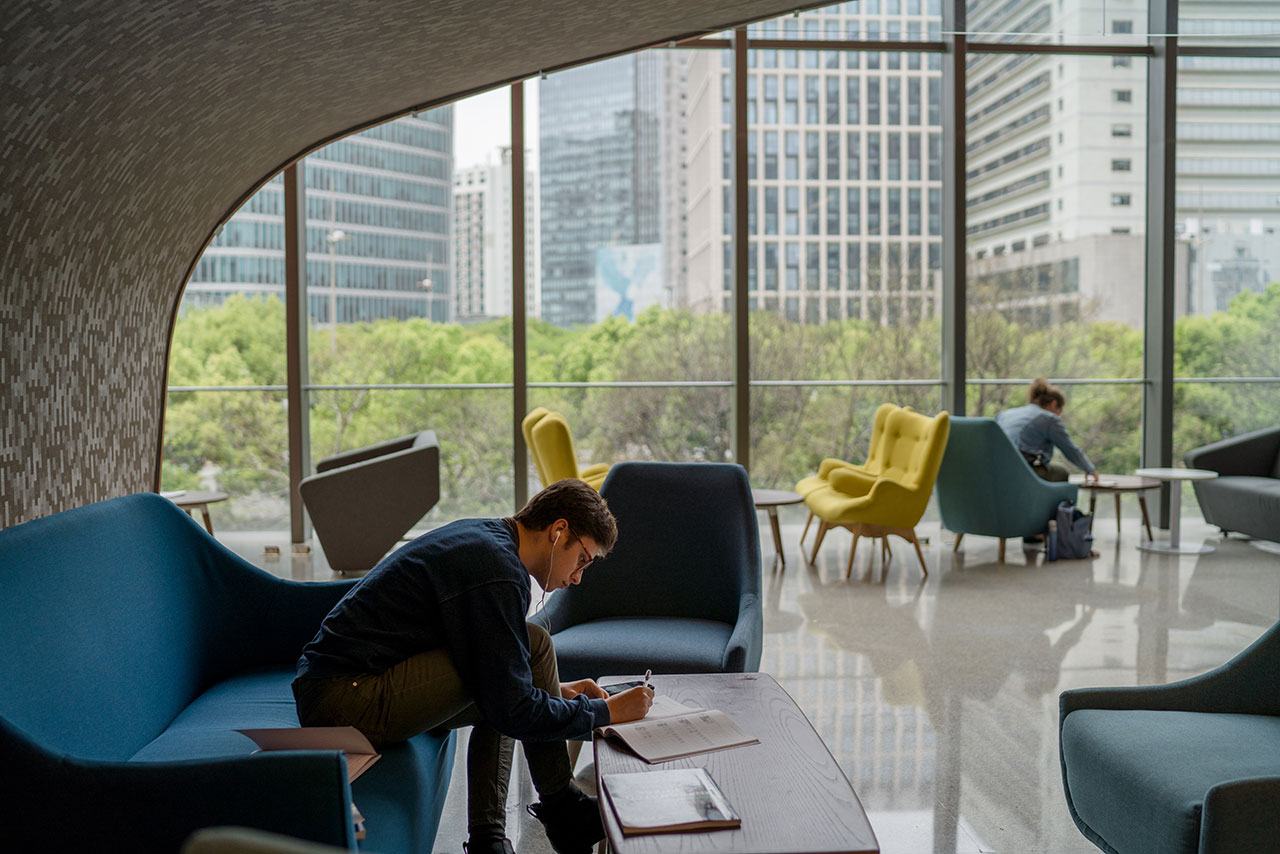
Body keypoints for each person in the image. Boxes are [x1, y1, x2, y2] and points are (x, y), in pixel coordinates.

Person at [292, 479, 655, 854]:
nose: (578, 577)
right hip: (342, 698)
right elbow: (511, 703)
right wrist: (605, 712)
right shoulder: (497, 571)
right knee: (526, 655)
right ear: (558, 530)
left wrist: (556, 692)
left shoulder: (488, 539)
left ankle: (497, 837)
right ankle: (560, 810)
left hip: (349, 684)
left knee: (521, 658)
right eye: (582, 559)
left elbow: (494, 668)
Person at [996, 377, 1099, 484]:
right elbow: (1070, 449)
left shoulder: (1005, 414)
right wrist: (1090, 469)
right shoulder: (1049, 418)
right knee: (1061, 472)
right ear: (1054, 404)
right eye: (1059, 412)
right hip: (1021, 471)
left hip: (996, 469)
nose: (1059, 416)